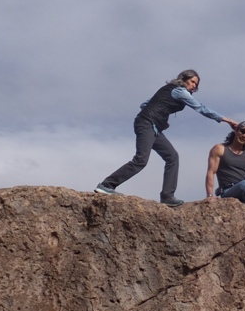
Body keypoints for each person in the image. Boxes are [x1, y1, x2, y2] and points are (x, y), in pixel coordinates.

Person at [96, 69, 237, 207]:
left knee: (172, 157)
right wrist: (227, 120)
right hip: (147, 124)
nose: (194, 85)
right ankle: (107, 185)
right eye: (192, 81)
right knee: (141, 160)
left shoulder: (169, 89)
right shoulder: (180, 91)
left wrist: (159, 116)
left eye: (196, 84)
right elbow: (201, 108)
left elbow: (145, 104)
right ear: (184, 79)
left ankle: (167, 196)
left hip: (152, 126)